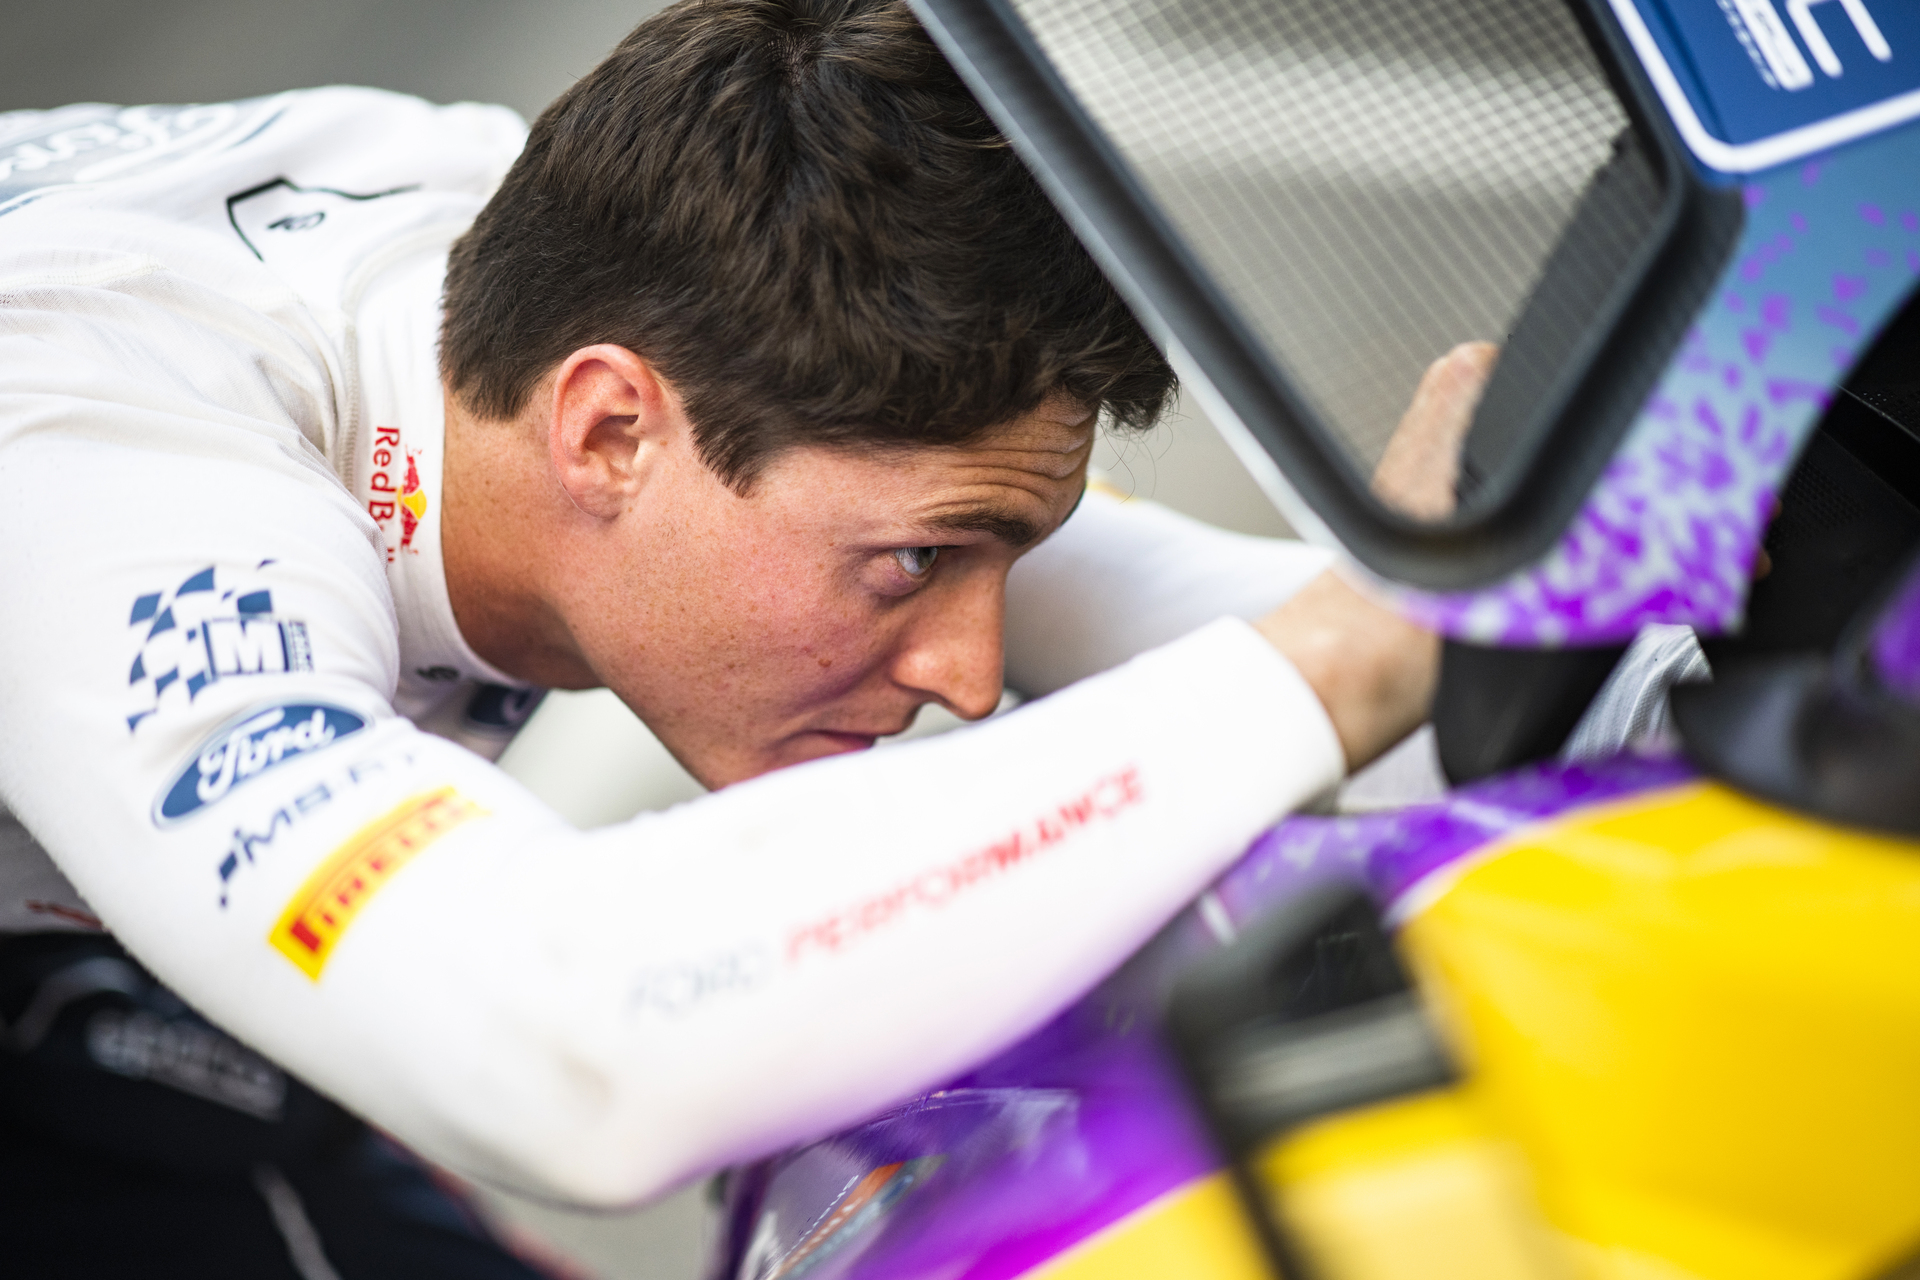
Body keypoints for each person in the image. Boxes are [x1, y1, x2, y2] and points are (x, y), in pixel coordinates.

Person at [0, 0, 1461, 1273]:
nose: (969, 677)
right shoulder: (96, 457)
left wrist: (1495, 596)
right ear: (608, 432)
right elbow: (573, 1056)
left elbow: (1225, 612)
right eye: (914, 566)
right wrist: (1329, 672)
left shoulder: (611, 276)